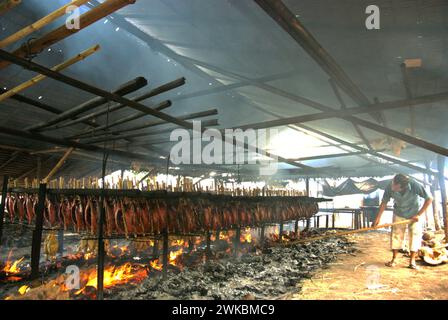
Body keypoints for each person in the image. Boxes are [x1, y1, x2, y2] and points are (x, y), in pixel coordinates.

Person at [373, 174, 432, 269]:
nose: (392, 187)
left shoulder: (414, 185)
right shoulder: (390, 185)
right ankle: (394, 259)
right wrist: (378, 218)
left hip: (414, 214)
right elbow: (384, 201)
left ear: (402, 187)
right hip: (399, 212)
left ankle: (412, 261)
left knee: (414, 236)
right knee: (396, 235)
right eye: (392, 184)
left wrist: (418, 214)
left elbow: (429, 199)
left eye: (395, 186)